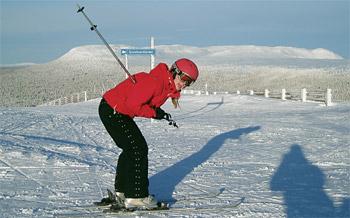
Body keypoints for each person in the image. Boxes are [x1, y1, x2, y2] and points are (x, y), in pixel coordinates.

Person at [98, 58, 199, 210]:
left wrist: (158, 112)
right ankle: (137, 196)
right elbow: (133, 105)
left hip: (113, 110)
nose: (184, 84)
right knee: (138, 148)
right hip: (114, 110)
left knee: (131, 149)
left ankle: (123, 193)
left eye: (189, 82)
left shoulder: (165, 86)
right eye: (184, 78)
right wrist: (154, 112)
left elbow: (143, 103)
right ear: (174, 71)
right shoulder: (156, 82)